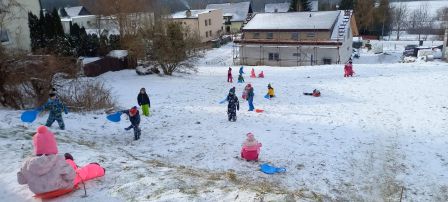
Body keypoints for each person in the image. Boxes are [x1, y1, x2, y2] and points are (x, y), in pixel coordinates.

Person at [17, 126, 105, 199]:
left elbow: (21, 181)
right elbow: (71, 176)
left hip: (39, 192)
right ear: (52, 145)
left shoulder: (27, 164)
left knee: (63, 167)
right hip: (61, 188)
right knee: (81, 173)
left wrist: (24, 170)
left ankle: (70, 161)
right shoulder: (58, 160)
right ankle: (98, 168)